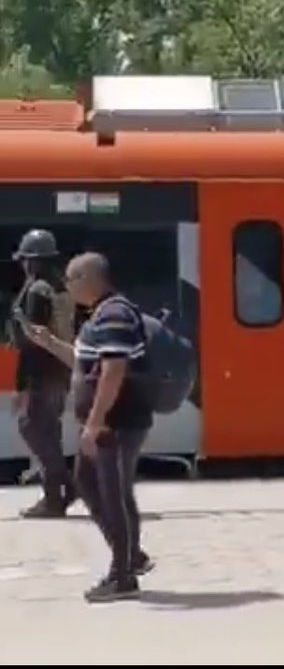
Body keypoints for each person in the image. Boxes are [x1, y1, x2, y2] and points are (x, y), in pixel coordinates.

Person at [27, 252, 155, 602]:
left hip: (115, 423)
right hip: (106, 423)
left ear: (88, 278)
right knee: (87, 483)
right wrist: (50, 344)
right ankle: (130, 555)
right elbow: (85, 362)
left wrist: (95, 423)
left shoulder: (115, 313)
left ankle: (123, 574)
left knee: (113, 494)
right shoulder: (100, 315)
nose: (67, 288)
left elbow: (113, 371)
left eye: (69, 280)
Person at [9, 229, 76, 518]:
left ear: (32, 261)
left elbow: (33, 340)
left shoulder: (37, 290)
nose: (23, 265)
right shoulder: (59, 287)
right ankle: (62, 490)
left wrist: (22, 381)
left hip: (42, 371)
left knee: (32, 427)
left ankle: (58, 492)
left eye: (25, 260)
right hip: (61, 368)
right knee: (49, 430)